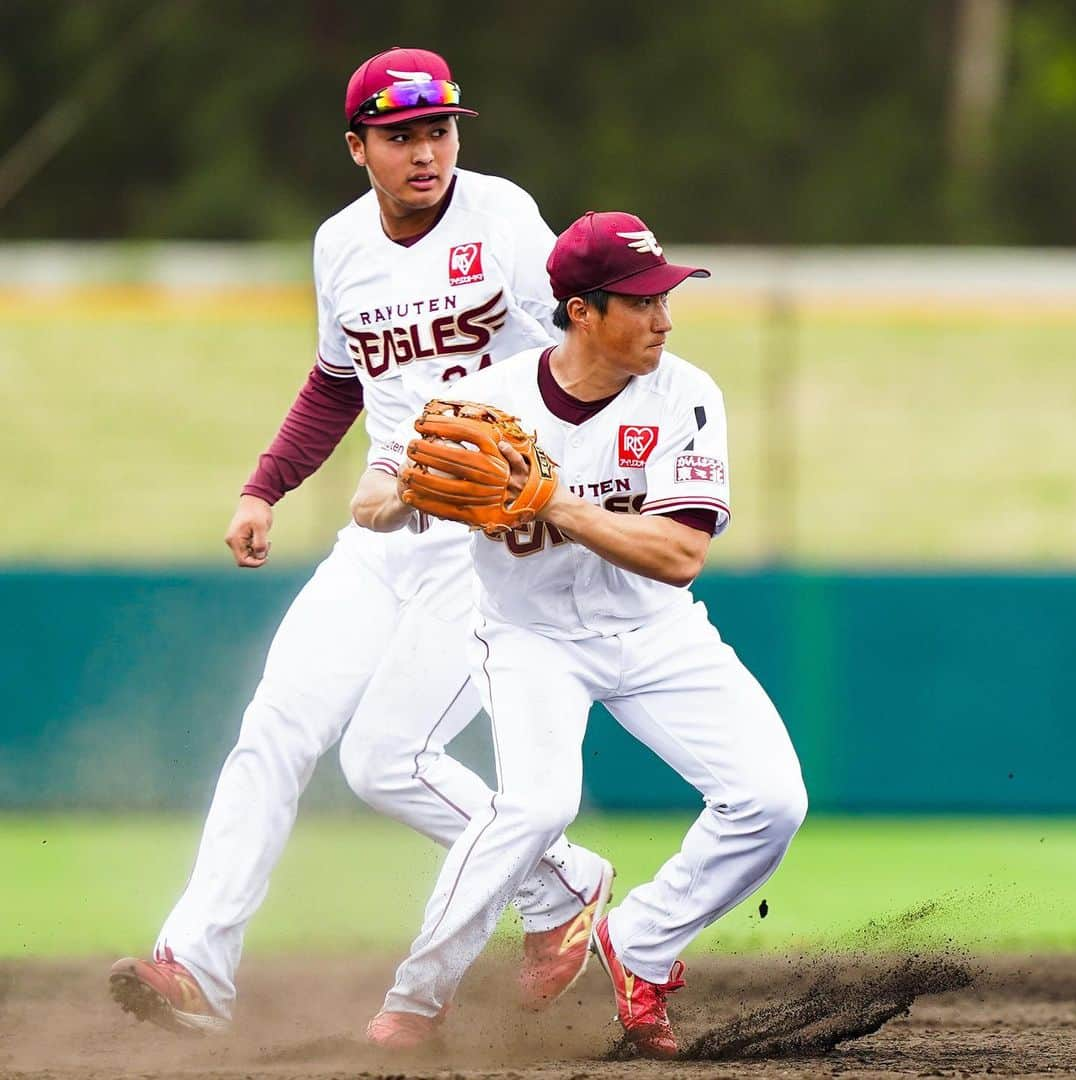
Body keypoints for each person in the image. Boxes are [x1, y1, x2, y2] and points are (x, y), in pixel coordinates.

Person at [107, 48, 612, 1039]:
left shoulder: (502, 220)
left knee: (383, 762)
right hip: (381, 537)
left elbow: (581, 355)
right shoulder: (341, 247)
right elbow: (337, 382)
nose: (427, 152)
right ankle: (198, 969)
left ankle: (556, 883)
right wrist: (265, 485)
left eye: (440, 130)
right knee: (274, 728)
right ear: (358, 148)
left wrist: (505, 475)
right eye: (402, 135)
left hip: (492, 542)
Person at [350, 210, 808, 1058]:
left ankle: (640, 943)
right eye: (641, 301)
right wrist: (407, 493)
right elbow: (373, 499)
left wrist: (549, 499)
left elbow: (678, 554)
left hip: (656, 631)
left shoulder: (686, 394)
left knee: (772, 803)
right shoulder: (487, 402)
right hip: (530, 638)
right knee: (536, 805)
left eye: (667, 297)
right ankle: (417, 998)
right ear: (581, 311)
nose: (664, 318)